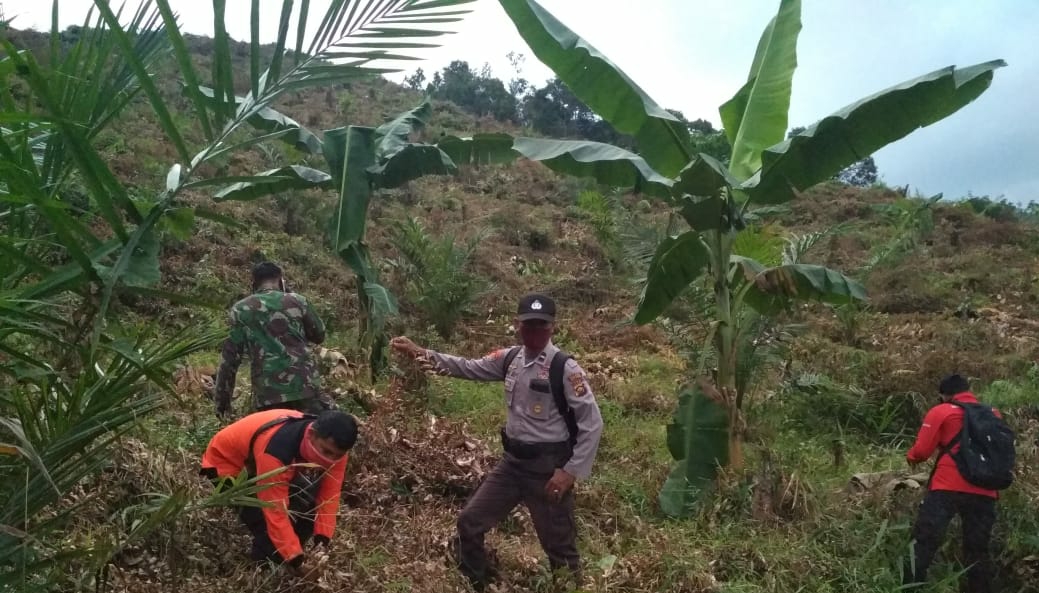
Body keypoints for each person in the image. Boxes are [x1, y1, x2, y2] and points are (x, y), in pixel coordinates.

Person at [391, 293, 604, 590]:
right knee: (470, 521)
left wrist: (569, 472)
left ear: (552, 328)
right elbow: (466, 366)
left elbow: (592, 423)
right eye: (528, 325)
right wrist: (420, 353)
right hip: (513, 465)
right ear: (517, 325)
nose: (534, 332)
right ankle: (478, 582)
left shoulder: (565, 368)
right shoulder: (509, 359)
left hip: (548, 470)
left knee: (560, 550)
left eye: (541, 326)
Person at [200, 409, 357, 576]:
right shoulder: (277, 451)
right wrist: (296, 560)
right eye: (326, 452)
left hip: (264, 463)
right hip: (226, 465)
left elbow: (329, 498)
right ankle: (264, 574)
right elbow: (274, 512)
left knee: (307, 504)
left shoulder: (337, 453)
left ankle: (289, 556)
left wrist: (322, 542)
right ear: (311, 434)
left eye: (336, 456)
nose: (330, 460)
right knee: (265, 525)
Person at [903, 374, 1001, 593]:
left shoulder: (942, 411)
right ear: (968, 391)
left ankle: (909, 587)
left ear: (944, 395)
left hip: (947, 488)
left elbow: (921, 452)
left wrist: (910, 458)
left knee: (924, 542)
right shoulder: (993, 413)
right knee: (978, 550)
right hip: (985, 489)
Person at [214, 261, 328, 417]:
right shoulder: (298, 301)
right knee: (316, 434)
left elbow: (229, 362)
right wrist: (289, 294)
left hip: (267, 394)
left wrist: (222, 405)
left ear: (253, 283)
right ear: (281, 280)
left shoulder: (240, 310)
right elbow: (319, 336)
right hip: (304, 387)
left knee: (274, 437)